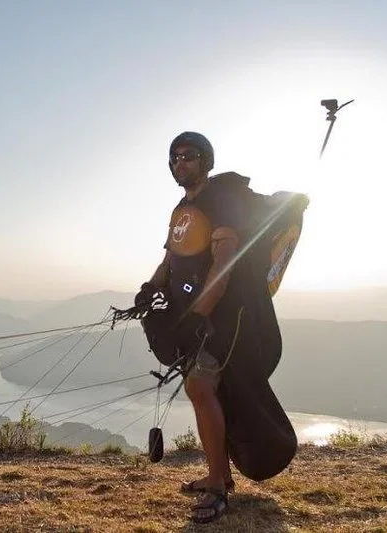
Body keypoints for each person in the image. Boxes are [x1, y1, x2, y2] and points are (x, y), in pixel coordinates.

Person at [137, 131, 244, 524]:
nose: (180, 162)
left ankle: (217, 489)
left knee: (200, 387)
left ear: (206, 160)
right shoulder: (182, 208)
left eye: (189, 155)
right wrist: (150, 287)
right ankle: (220, 475)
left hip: (216, 318)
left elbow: (224, 264)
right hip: (188, 315)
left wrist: (200, 316)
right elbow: (171, 261)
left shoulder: (220, 201)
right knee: (199, 391)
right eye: (175, 157)